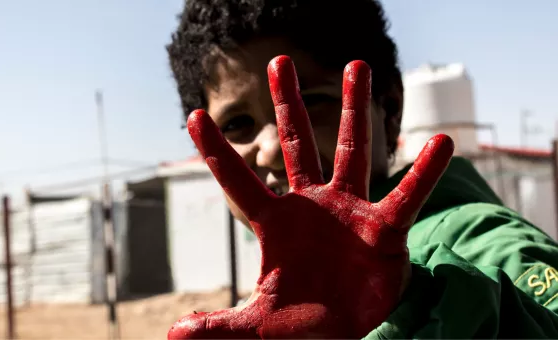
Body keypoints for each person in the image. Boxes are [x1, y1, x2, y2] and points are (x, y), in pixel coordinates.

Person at [165, 0, 558, 338]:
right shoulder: (276, 297)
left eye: (312, 102)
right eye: (236, 124)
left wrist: (415, 305)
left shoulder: (482, 241)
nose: (271, 149)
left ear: (388, 111)